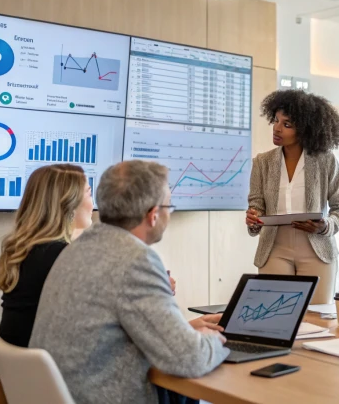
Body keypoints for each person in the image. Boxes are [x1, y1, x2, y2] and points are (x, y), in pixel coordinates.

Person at [29, 160, 228, 404]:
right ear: (153, 215)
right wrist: (215, 340)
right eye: (169, 206)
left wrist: (185, 334)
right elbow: (189, 359)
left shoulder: (77, 249)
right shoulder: (135, 260)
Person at [246, 89, 339, 304]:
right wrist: (253, 218)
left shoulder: (325, 161)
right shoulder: (262, 162)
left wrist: (326, 226)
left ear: (305, 130)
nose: (277, 128)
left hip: (316, 248)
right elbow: (256, 207)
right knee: (273, 314)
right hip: (274, 248)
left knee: (317, 316)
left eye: (287, 124)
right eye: (276, 120)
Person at [0, 164, 94, 347]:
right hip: (48, 358)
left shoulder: (25, 249)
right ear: (69, 204)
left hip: (21, 357)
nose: (94, 204)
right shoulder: (62, 257)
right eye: (89, 193)